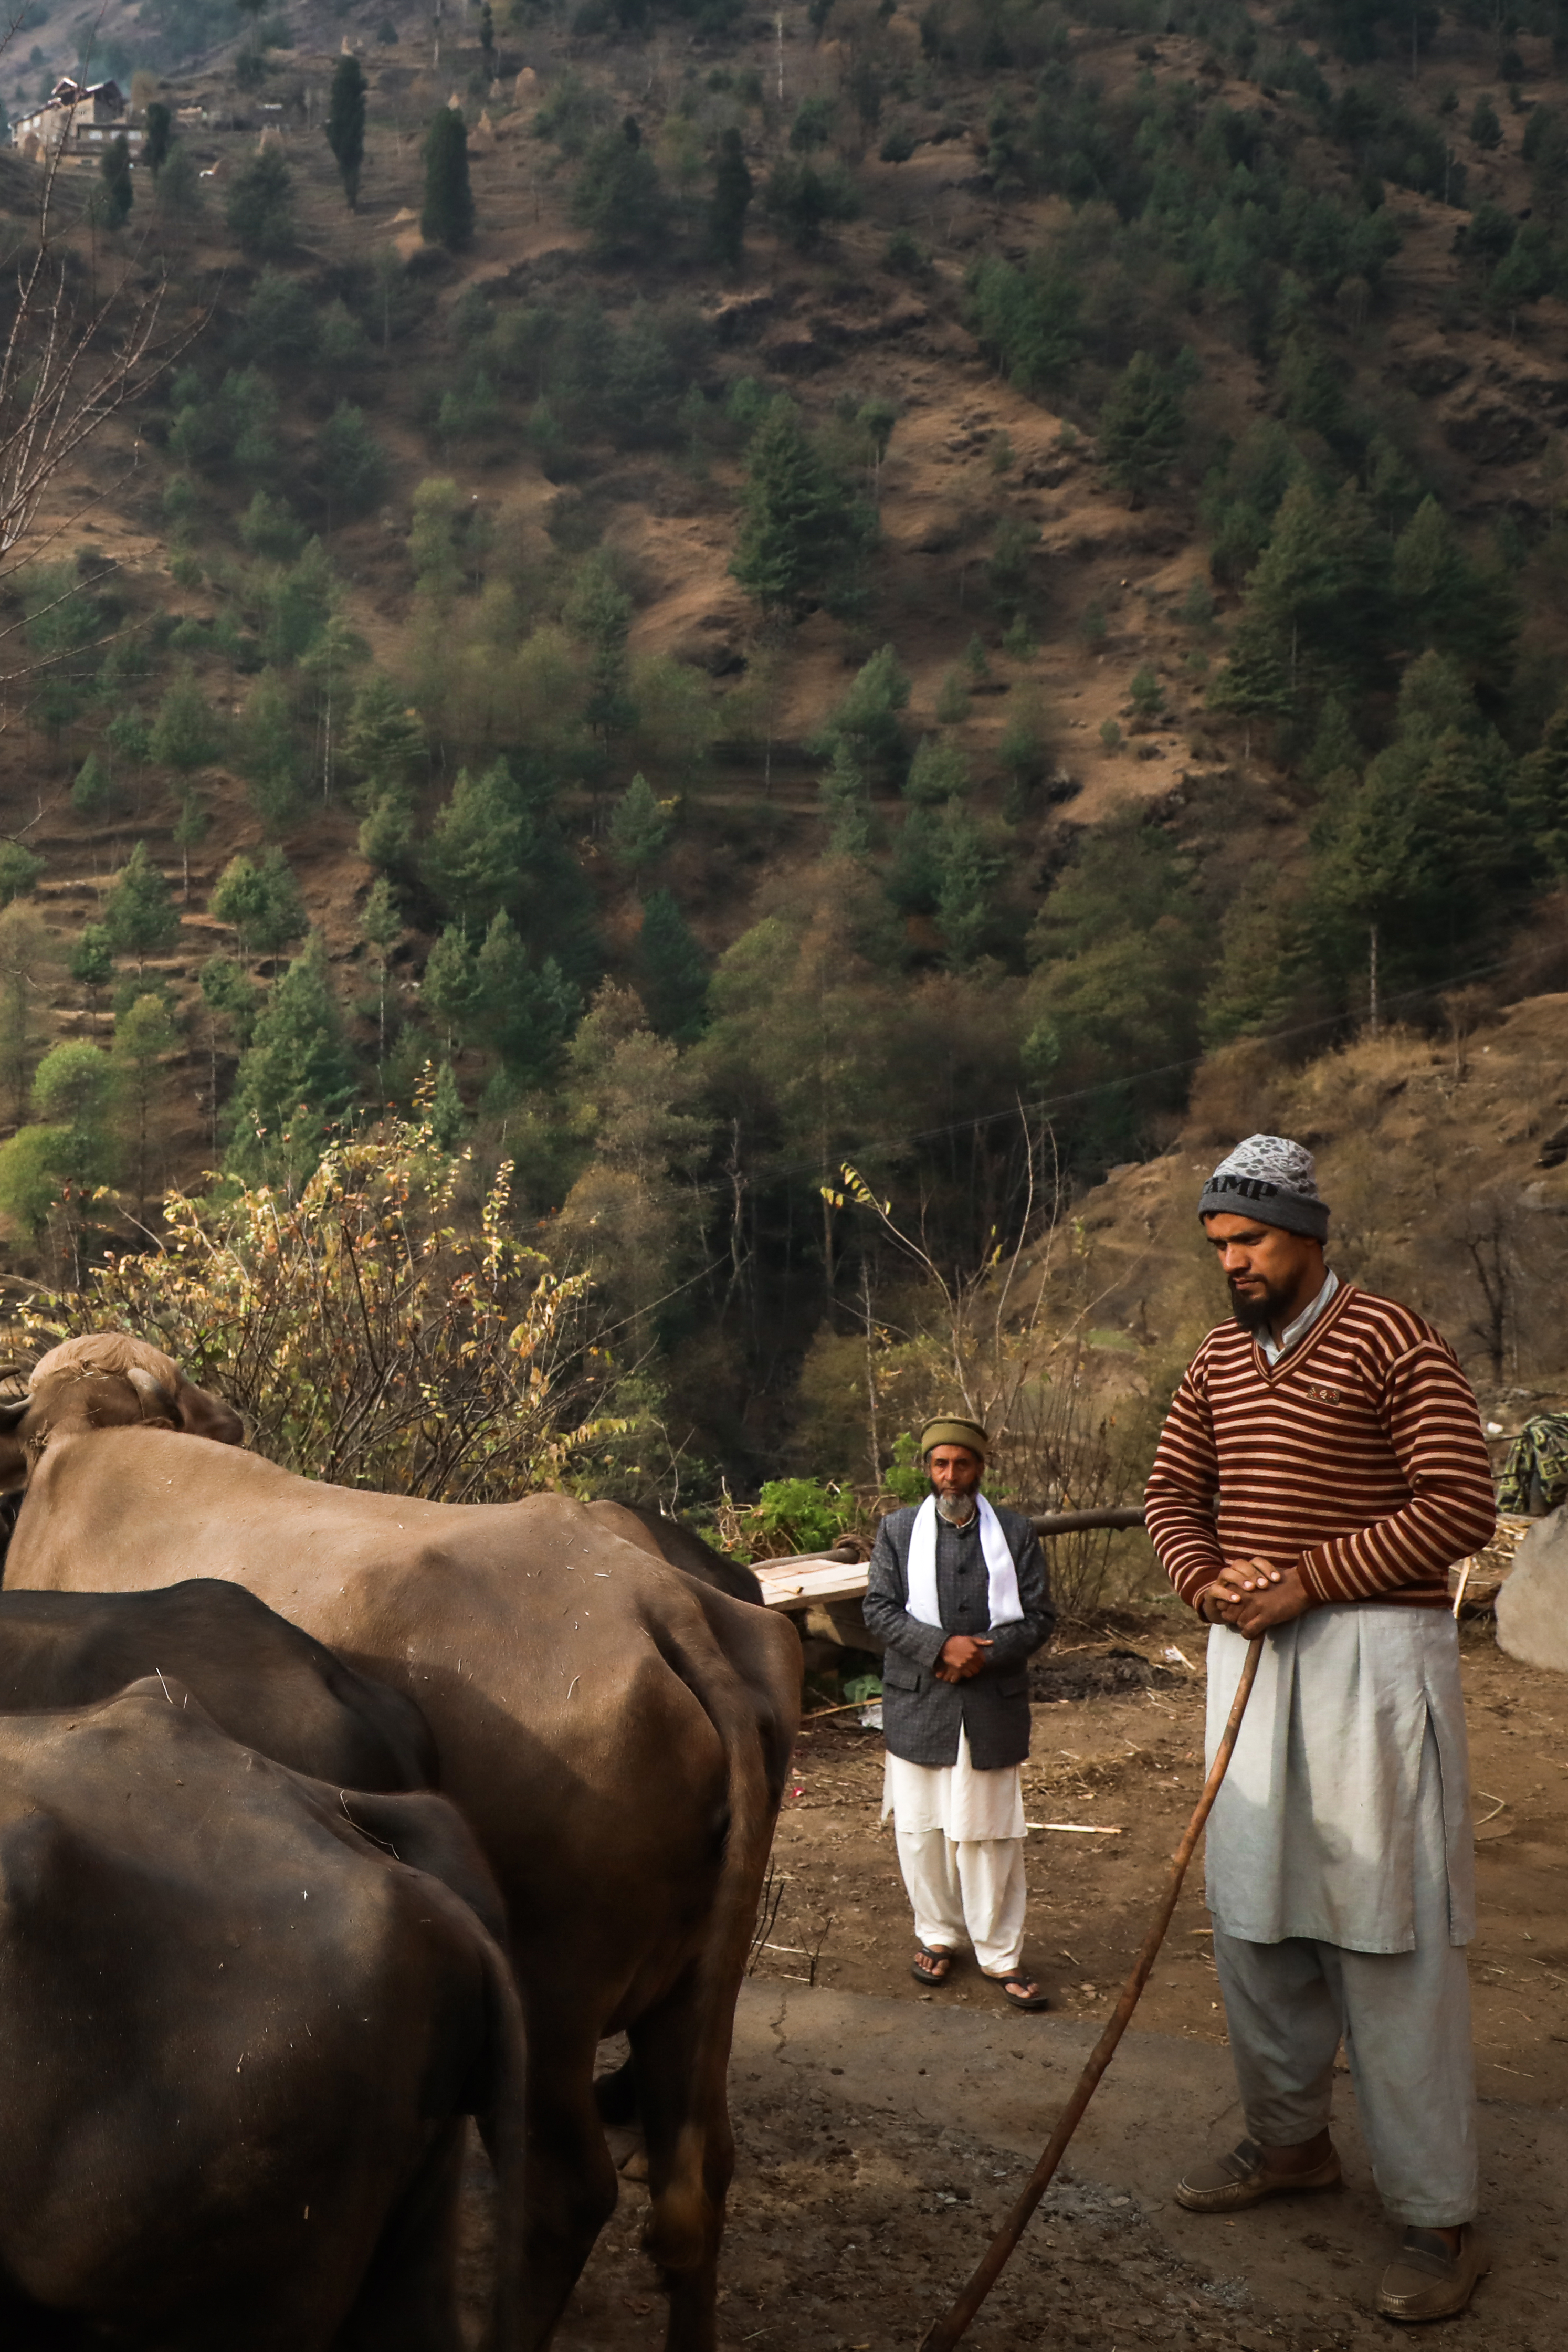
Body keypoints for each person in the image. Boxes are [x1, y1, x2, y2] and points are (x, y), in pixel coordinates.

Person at [1143, 1133, 1498, 2324]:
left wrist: (1310, 1577)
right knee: (1253, 1920)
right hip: (1247, 1661)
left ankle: (1436, 2215)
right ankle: (1290, 2144)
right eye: (1218, 1244)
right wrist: (1206, 1582)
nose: (1231, 1262)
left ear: (1305, 1233)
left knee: (1387, 1935)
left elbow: (1458, 1501)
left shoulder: (1391, 1340)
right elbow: (1168, 1495)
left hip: (1370, 1669)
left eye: (1247, 1240)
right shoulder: (1214, 1361)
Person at [863, 1415, 1054, 2012]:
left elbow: (1040, 1618)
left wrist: (980, 1655)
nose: (950, 1476)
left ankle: (1000, 1953)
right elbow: (878, 1608)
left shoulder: (1015, 1533)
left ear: (980, 1468)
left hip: (990, 1704)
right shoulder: (897, 1530)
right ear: (927, 1469)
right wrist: (939, 1647)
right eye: (940, 1464)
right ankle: (937, 1935)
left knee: (990, 1832)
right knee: (921, 1831)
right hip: (919, 1702)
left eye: (961, 1464)